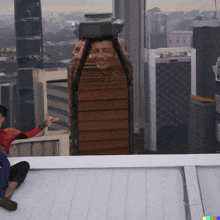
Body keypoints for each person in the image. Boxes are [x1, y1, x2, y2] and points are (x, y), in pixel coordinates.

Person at [0, 105, 59, 210]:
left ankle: (7, 192)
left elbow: (28, 135)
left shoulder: (8, 134)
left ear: (3, 118)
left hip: (3, 173)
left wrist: (44, 125)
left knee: (24, 165)